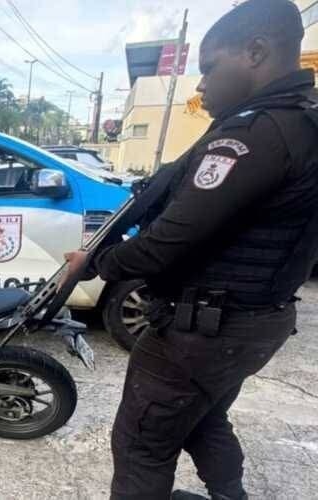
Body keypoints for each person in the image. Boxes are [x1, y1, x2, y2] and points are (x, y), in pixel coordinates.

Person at [64, 1, 318, 498]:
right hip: (252, 323)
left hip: (203, 330)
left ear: (256, 52)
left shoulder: (256, 135)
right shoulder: (301, 123)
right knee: (203, 417)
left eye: (208, 69)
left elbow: (165, 244)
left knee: (140, 445)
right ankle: (230, 494)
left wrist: (93, 263)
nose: (200, 86)